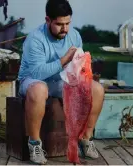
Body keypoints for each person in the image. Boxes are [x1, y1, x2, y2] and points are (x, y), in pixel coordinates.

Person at [17, 0, 105, 164]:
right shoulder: (35, 39)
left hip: (61, 80)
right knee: (39, 89)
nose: (64, 29)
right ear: (48, 20)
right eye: (59, 24)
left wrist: (82, 65)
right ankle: (34, 143)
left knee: (97, 89)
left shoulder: (75, 35)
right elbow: (37, 73)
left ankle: (85, 139)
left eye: (67, 23)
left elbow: (76, 68)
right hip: (32, 81)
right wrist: (64, 59)